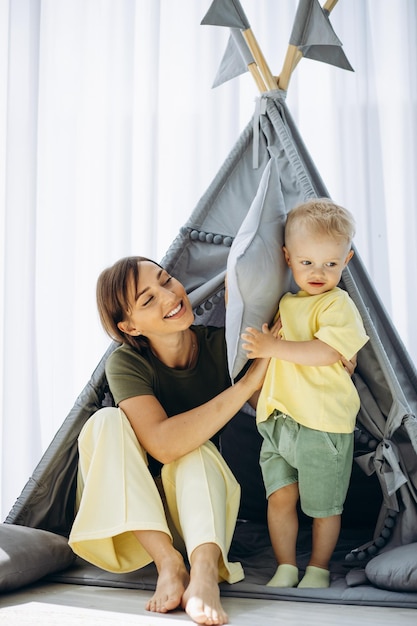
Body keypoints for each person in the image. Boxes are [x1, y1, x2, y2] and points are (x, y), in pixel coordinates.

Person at [68, 256, 269, 626]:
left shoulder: (222, 346)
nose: (169, 295)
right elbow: (161, 443)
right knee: (105, 422)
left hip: (198, 516)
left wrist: (330, 359)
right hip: (132, 523)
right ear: (128, 325)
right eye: (147, 300)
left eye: (167, 280)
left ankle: (205, 576)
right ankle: (169, 565)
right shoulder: (126, 362)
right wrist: (245, 385)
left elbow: (275, 402)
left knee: (196, 450)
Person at [241, 198, 369, 589]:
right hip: (279, 422)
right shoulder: (285, 302)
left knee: (323, 507)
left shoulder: (337, 303)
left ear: (345, 260)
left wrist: (271, 348)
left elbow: (330, 351)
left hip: (323, 424)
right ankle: (285, 565)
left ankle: (317, 567)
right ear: (288, 257)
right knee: (279, 499)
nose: (318, 272)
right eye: (307, 262)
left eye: (330, 263)